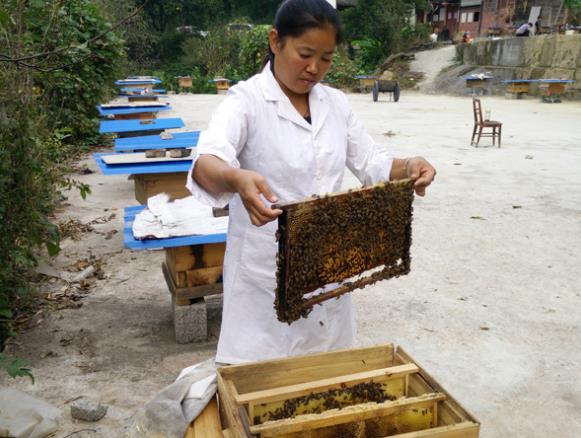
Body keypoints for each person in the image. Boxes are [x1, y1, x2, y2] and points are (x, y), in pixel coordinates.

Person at [187, 0, 436, 365]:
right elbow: (207, 160)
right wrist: (236, 177)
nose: (315, 68)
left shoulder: (335, 103)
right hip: (264, 279)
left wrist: (410, 164)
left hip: (328, 268)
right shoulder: (247, 101)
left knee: (324, 383)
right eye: (305, 54)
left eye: (326, 58)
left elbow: (372, 162)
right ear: (275, 42)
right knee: (263, 390)